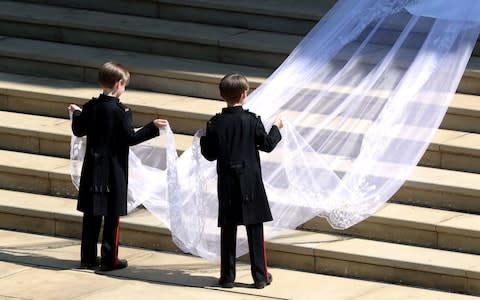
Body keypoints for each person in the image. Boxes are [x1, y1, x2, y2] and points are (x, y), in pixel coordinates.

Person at [68, 62, 168, 271]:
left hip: (93, 169)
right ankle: (109, 259)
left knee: (91, 215)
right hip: (113, 170)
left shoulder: (91, 106)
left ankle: (87, 258)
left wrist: (77, 113)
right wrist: (152, 127)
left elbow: (79, 130)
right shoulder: (121, 111)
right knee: (112, 216)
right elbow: (130, 138)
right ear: (120, 83)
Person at [200, 73, 283, 289]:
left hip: (227, 181)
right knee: (255, 228)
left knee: (228, 228)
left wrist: (203, 138)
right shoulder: (251, 120)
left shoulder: (215, 123)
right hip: (250, 182)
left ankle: (227, 277)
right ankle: (260, 277)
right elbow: (266, 145)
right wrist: (276, 128)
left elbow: (209, 154)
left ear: (222, 95)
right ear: (244, 94)